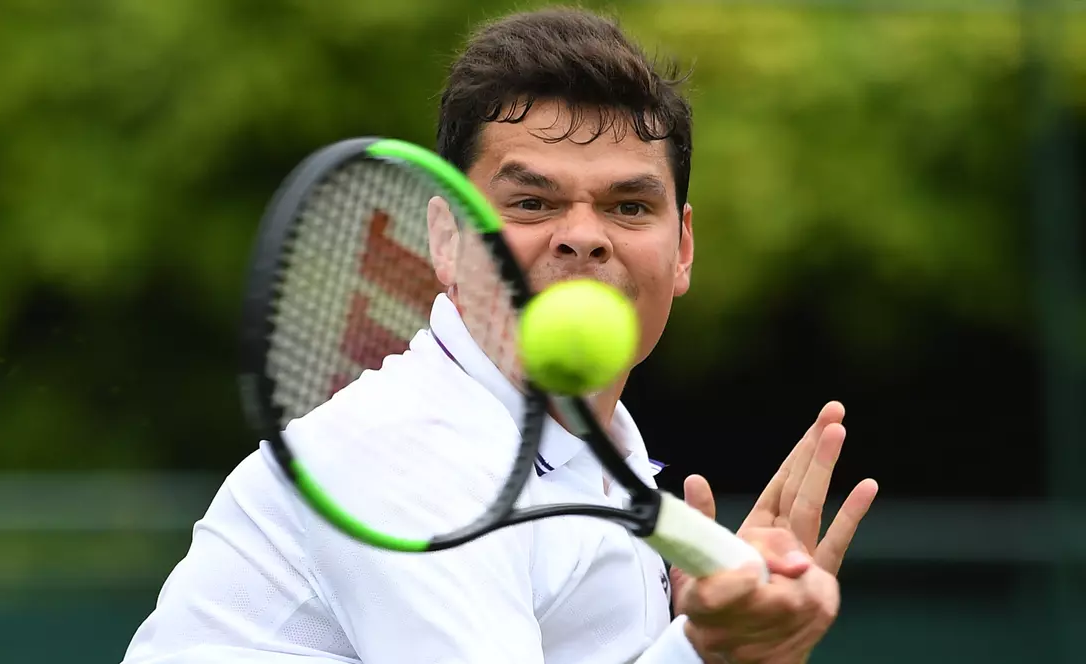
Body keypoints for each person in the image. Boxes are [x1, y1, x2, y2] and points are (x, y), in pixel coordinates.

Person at [121, 7, 878, 664]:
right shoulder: (402, 453)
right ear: (447, 240)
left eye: (628, 207)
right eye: (531, 203)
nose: (584, 236)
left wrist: (724, 641)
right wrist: (706, 649)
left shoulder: (604, 458)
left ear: (681, 249)